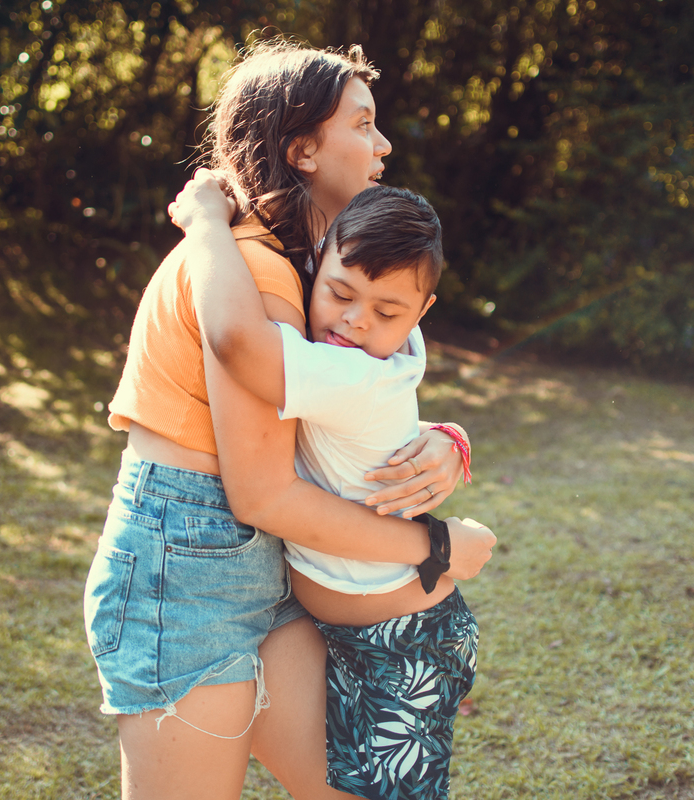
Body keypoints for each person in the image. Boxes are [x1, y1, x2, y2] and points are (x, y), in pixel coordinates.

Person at [82, 40, 496, 800]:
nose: (384, 144)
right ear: (303, 147)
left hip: (259, 566)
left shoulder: (304, 271)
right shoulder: (255, 273)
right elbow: (264, 490)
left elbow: (339, 402)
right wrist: (434, 543)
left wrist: (445, 440)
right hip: (192, 563)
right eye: (363, 124)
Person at [179, 182, 477, 800]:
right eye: (340, 293)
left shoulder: (350, 373)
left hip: (404, 643)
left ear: (422, 315)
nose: (355, 320)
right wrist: (449, 434)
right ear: (316, 265)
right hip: (357, 628)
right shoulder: (380, 355)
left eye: (386, 313)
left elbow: (236, 340)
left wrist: (205, 221)